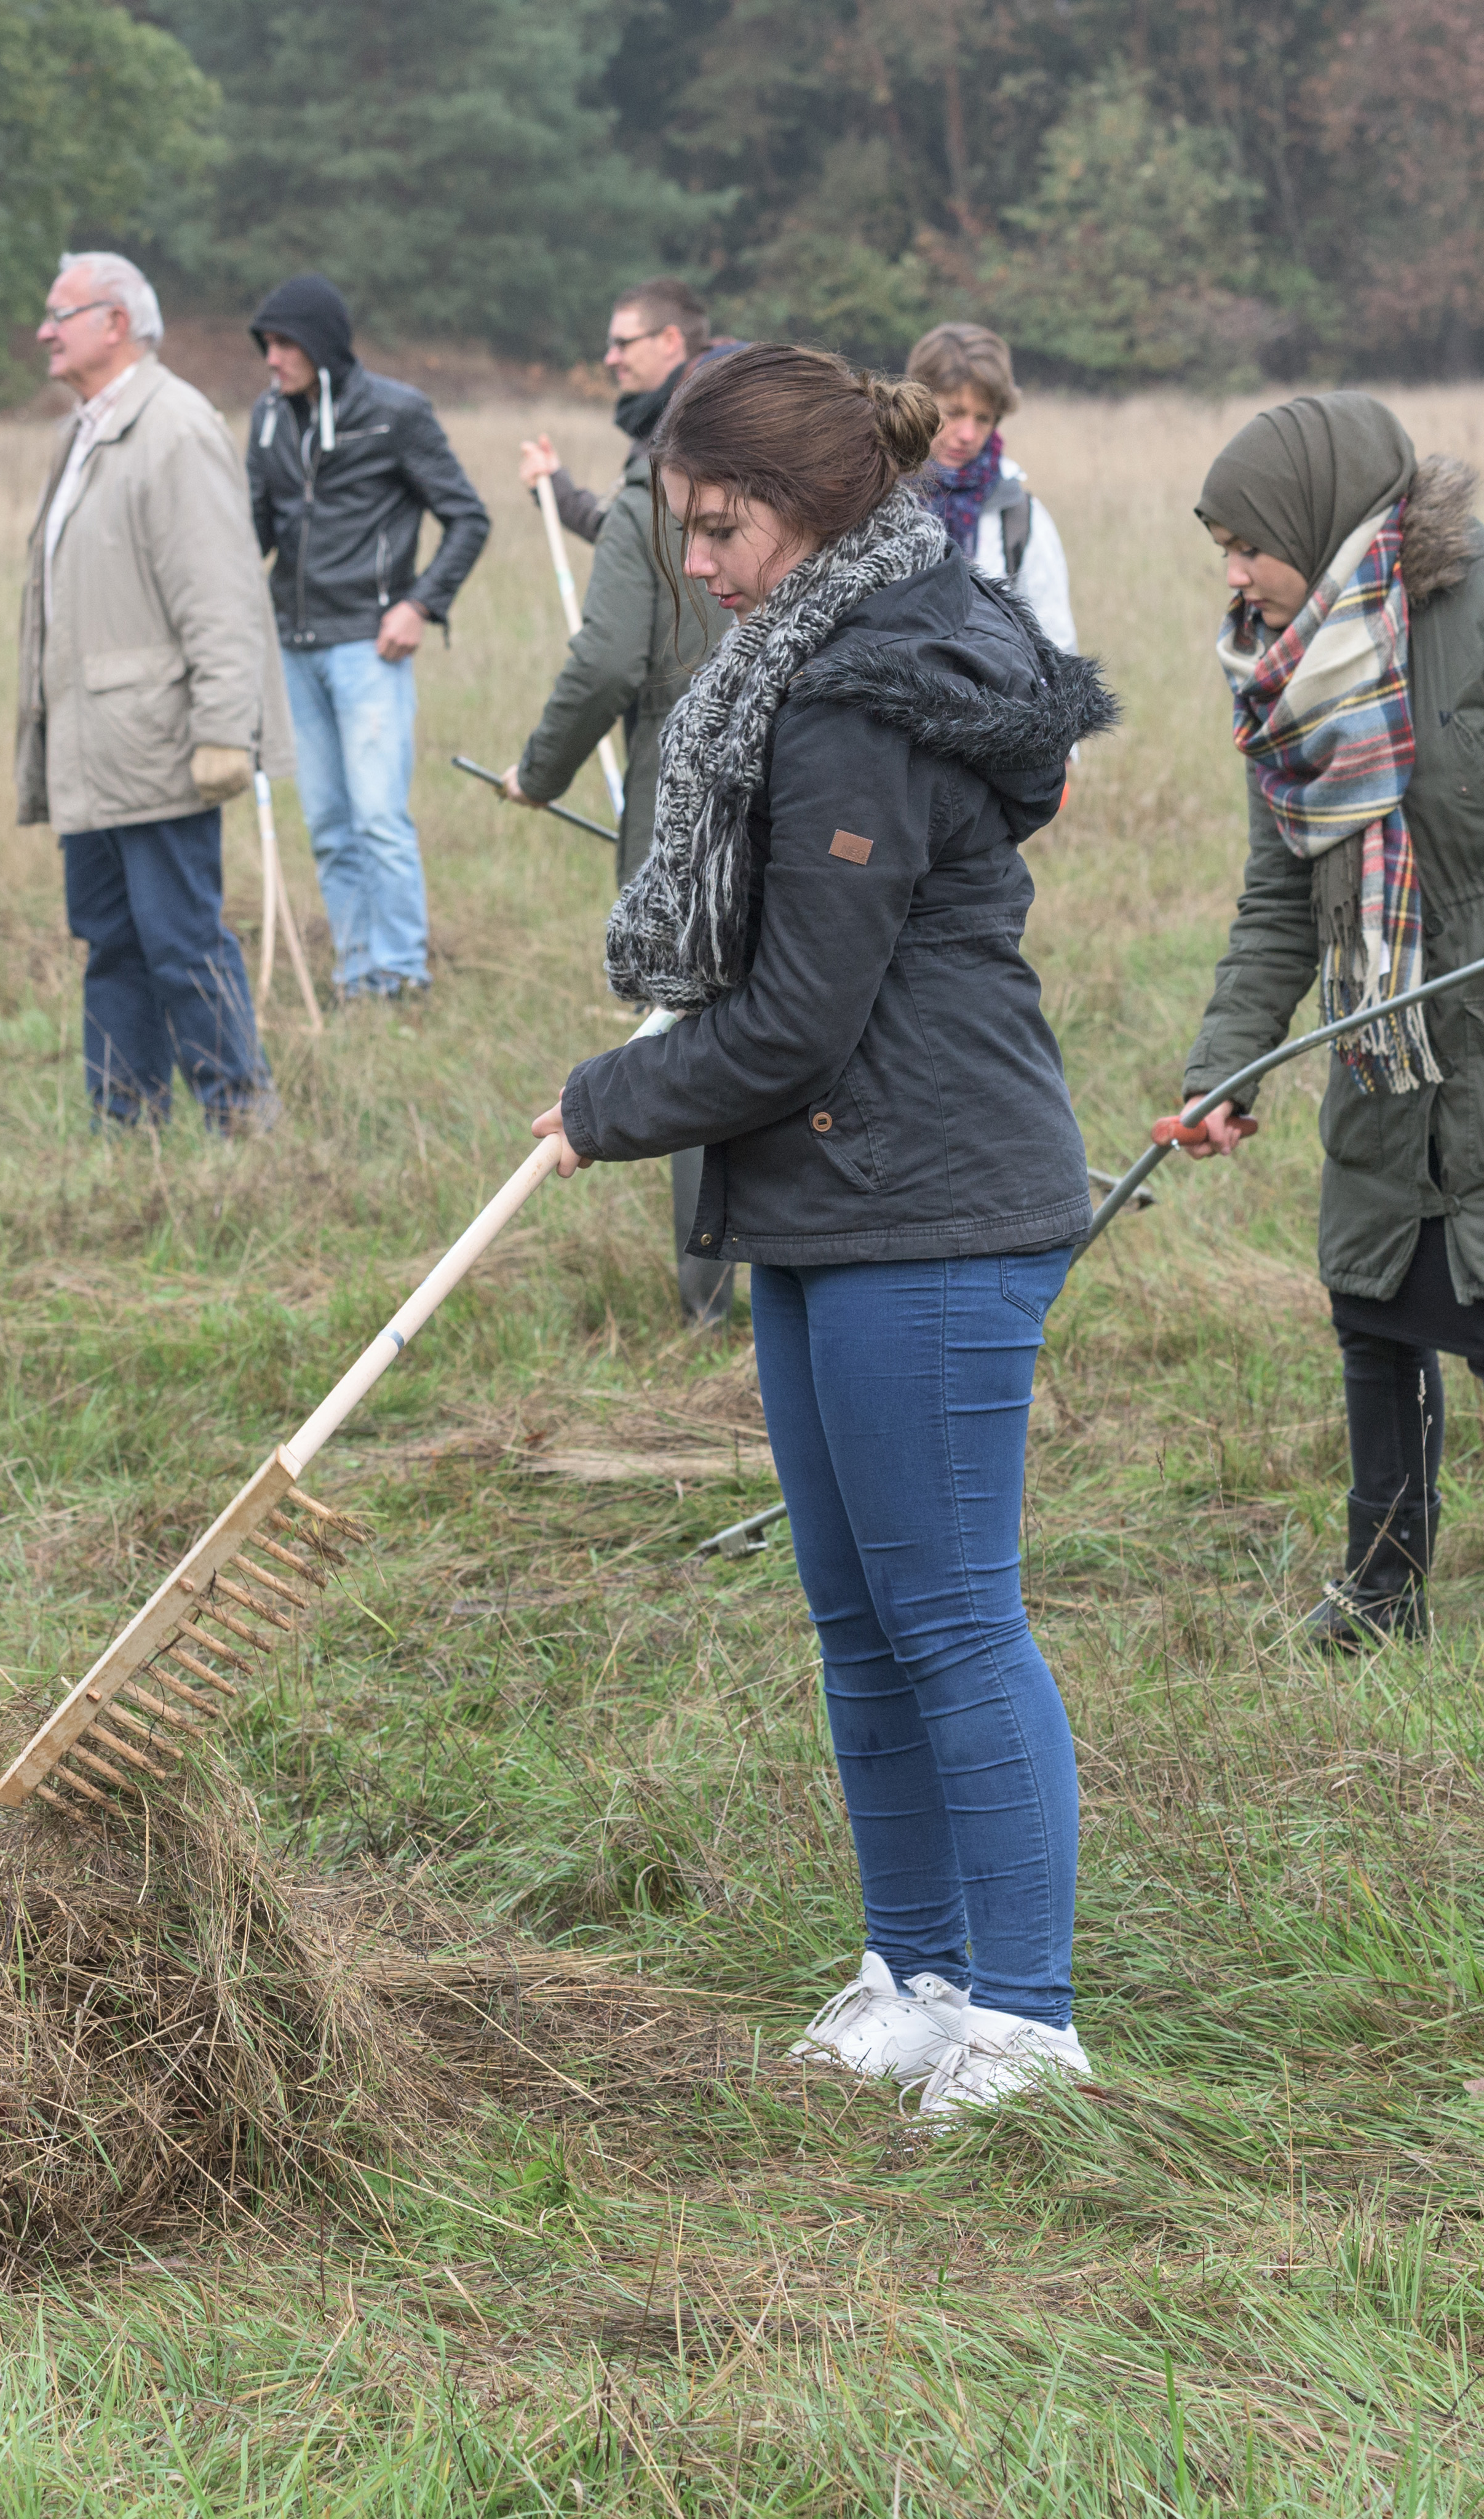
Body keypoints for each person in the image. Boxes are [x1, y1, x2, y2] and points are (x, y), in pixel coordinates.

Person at [530, 346, 1119, 2114]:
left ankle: (1022, 2017)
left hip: (928, 1199)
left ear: (817, 507)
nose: (696, 563)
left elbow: (797, 1015)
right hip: (815, 1195)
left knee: (946, 1614)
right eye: (678, 527)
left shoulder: (867, 685)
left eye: (720, 526)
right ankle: (914, 1967)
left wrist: (606, 1103)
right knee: (851, 1613)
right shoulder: (789, 661)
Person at [1172, 392, 1484, 1661]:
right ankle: (1380, 1589)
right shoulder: (1282, 675)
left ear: (1319, 518)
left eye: (1248, 544)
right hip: (1382, 1047)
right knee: (1376, 1310)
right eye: (1223, 550)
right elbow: (1278, 897)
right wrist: (1221, 1071)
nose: (1235, 574)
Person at [504, 276, 735, 1326]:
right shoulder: (706, 472)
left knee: (694, 1028)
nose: (610, 359)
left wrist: (539, 773)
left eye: (624, 341)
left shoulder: (665, 476)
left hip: (692, 786)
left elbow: (605, 659)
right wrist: (563, 500)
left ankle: (711, 1292)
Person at [17, 251, 284, 1133]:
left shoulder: (172, 427)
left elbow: (220, 591)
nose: (44, 331)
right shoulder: (87, 429)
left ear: (115, 323)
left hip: (159, 741)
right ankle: (122, 1116)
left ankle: (239, 1113)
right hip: (93, 747)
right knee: (109, 938)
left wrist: (220, 729)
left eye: (61, 314)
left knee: (180, 937)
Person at [244, 275, 489, 1003]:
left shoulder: (398, 414)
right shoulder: (265, 418)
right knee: (327, 821)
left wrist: (419, 605)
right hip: (292, 646)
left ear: (320, 344)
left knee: (378, 816)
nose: (271, 358)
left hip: (368, 646)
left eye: (283, 343)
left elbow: (469, 518)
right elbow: (254, 529)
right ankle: (357, 975)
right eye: (266, 343)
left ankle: (404, 973)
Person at [906, 324, 1074, 652]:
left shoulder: (1019, 516)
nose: (968, 434)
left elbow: (1057, 647)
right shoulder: (874, 498)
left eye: (983, 418)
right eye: (954, 413)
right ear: (919, 405)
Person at [516, 275, 711, 546]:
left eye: (623, 344)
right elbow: (621, 529)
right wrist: (554, 486)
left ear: (669, 341)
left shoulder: (704, 425)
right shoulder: (662, 414)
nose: (610, 359)